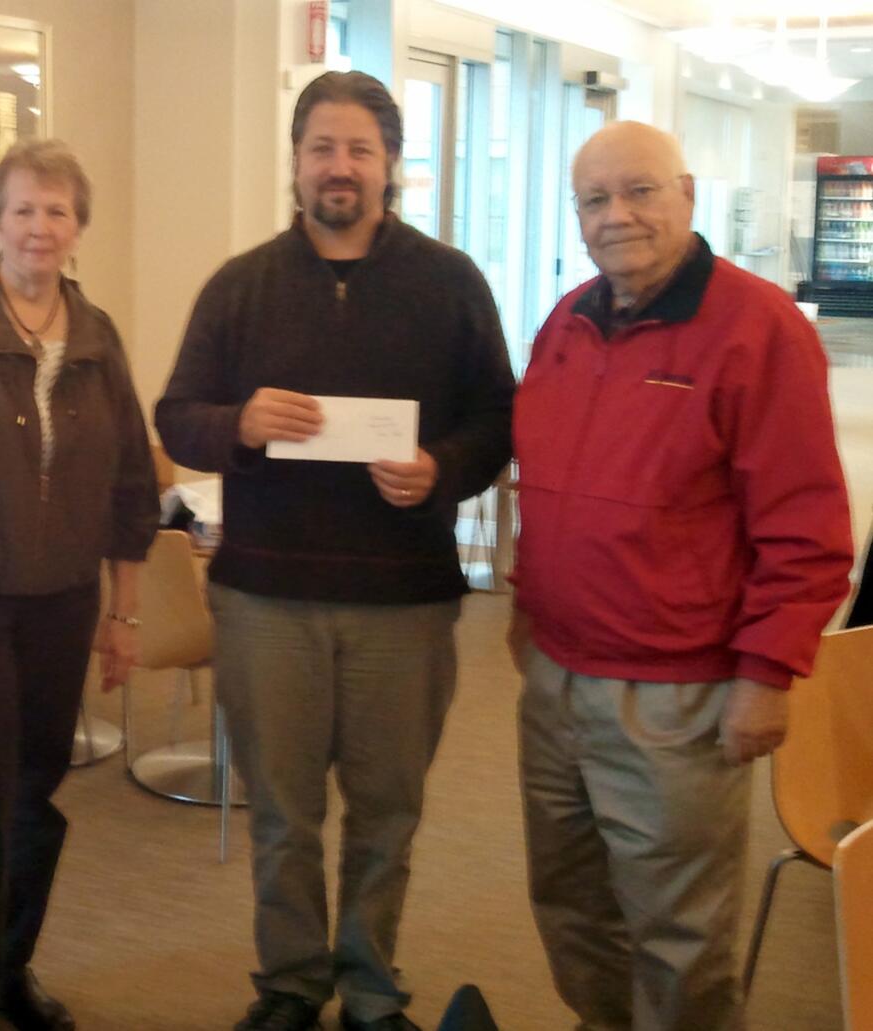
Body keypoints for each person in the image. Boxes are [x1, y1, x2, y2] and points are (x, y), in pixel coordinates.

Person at [156, 71, 514, 1031]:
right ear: (298, 161)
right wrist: (240, 421)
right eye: (322, 147)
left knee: (387, 813)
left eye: (359, 148)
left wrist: (441, 467)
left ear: (391, 162)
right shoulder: (241, 286)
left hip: (407, 603)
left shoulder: (450, 283)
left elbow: (498, 420)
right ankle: (289, 985)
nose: (339, 166)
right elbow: (176, 416)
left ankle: (369, 987)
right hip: (267, 598)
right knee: (283, 813)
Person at [510, 121, 853, 1031]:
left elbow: (806, 528)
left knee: (679, 931)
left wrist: (766, 675)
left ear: (688, 194)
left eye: (640, 191)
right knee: (571, 900)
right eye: (595, 199)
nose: (617, 215)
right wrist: (523, 607)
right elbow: (540, 481)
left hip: (679, 694)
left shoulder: (757, 328)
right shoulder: (569, 320)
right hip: (555, 676)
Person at [0, 139, 158, 1031]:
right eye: (22, 209)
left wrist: (124, 611)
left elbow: (132, 481)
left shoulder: (96, 336)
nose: (40, 228)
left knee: (35, 797)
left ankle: (9, 970)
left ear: (79, 227)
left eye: (58, 211)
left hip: (63, 602)